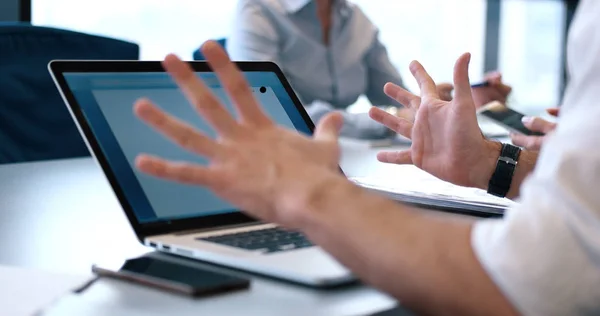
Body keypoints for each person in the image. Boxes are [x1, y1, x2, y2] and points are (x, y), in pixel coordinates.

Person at [132, 0, 600, 313]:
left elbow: (542, 282)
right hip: (321, 147)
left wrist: (314, 195)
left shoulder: (357, 20)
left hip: (330, 158)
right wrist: (491, 163)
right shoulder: (261, 10)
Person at [227, 0, 510, 139]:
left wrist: (451, 102)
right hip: (288, 157)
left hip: (347, 155)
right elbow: (281, 113)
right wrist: (390, 118)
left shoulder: (355, 19)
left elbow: (393, 95)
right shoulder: (258, 13)